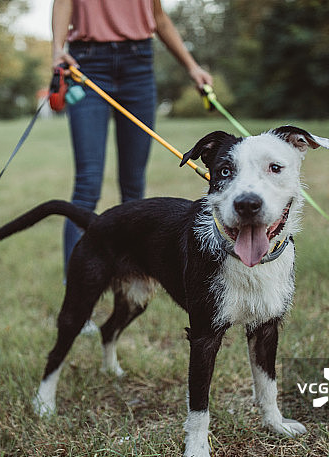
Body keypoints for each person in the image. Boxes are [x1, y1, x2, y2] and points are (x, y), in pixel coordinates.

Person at [51, 0, 213, 275]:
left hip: (138, 64)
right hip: (86, 62)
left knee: (134, 187)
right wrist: (57, 48)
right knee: (87, 184)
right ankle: (76, 295)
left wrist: (191, 67)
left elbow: (158, 18)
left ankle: (129, 281)